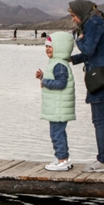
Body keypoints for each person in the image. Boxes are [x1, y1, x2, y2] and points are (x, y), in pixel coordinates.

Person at [69, 0, 104, 172]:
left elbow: (88, 49)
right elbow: (94, 52)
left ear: (81, 12)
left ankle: (103, 160)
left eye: (73, 16)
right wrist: (72, 59)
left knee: (99, 120)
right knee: (102, 119)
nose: (73, 20)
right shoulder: (96, 22)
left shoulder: (92, 23)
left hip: (100, 79)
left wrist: (78, 39)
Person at [35, 33, 76, 172]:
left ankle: (62, 160)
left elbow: (61, 83)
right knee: (59, 132)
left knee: (56, 133)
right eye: (46, 47)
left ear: (60, 48)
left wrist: (45, 81)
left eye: (50, 47)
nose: (47, 49)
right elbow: (56, 80)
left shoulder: (59, 64)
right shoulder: (57, 63)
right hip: (57, 106)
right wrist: (43, 77)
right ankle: (63, 158)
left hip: (58, 107)